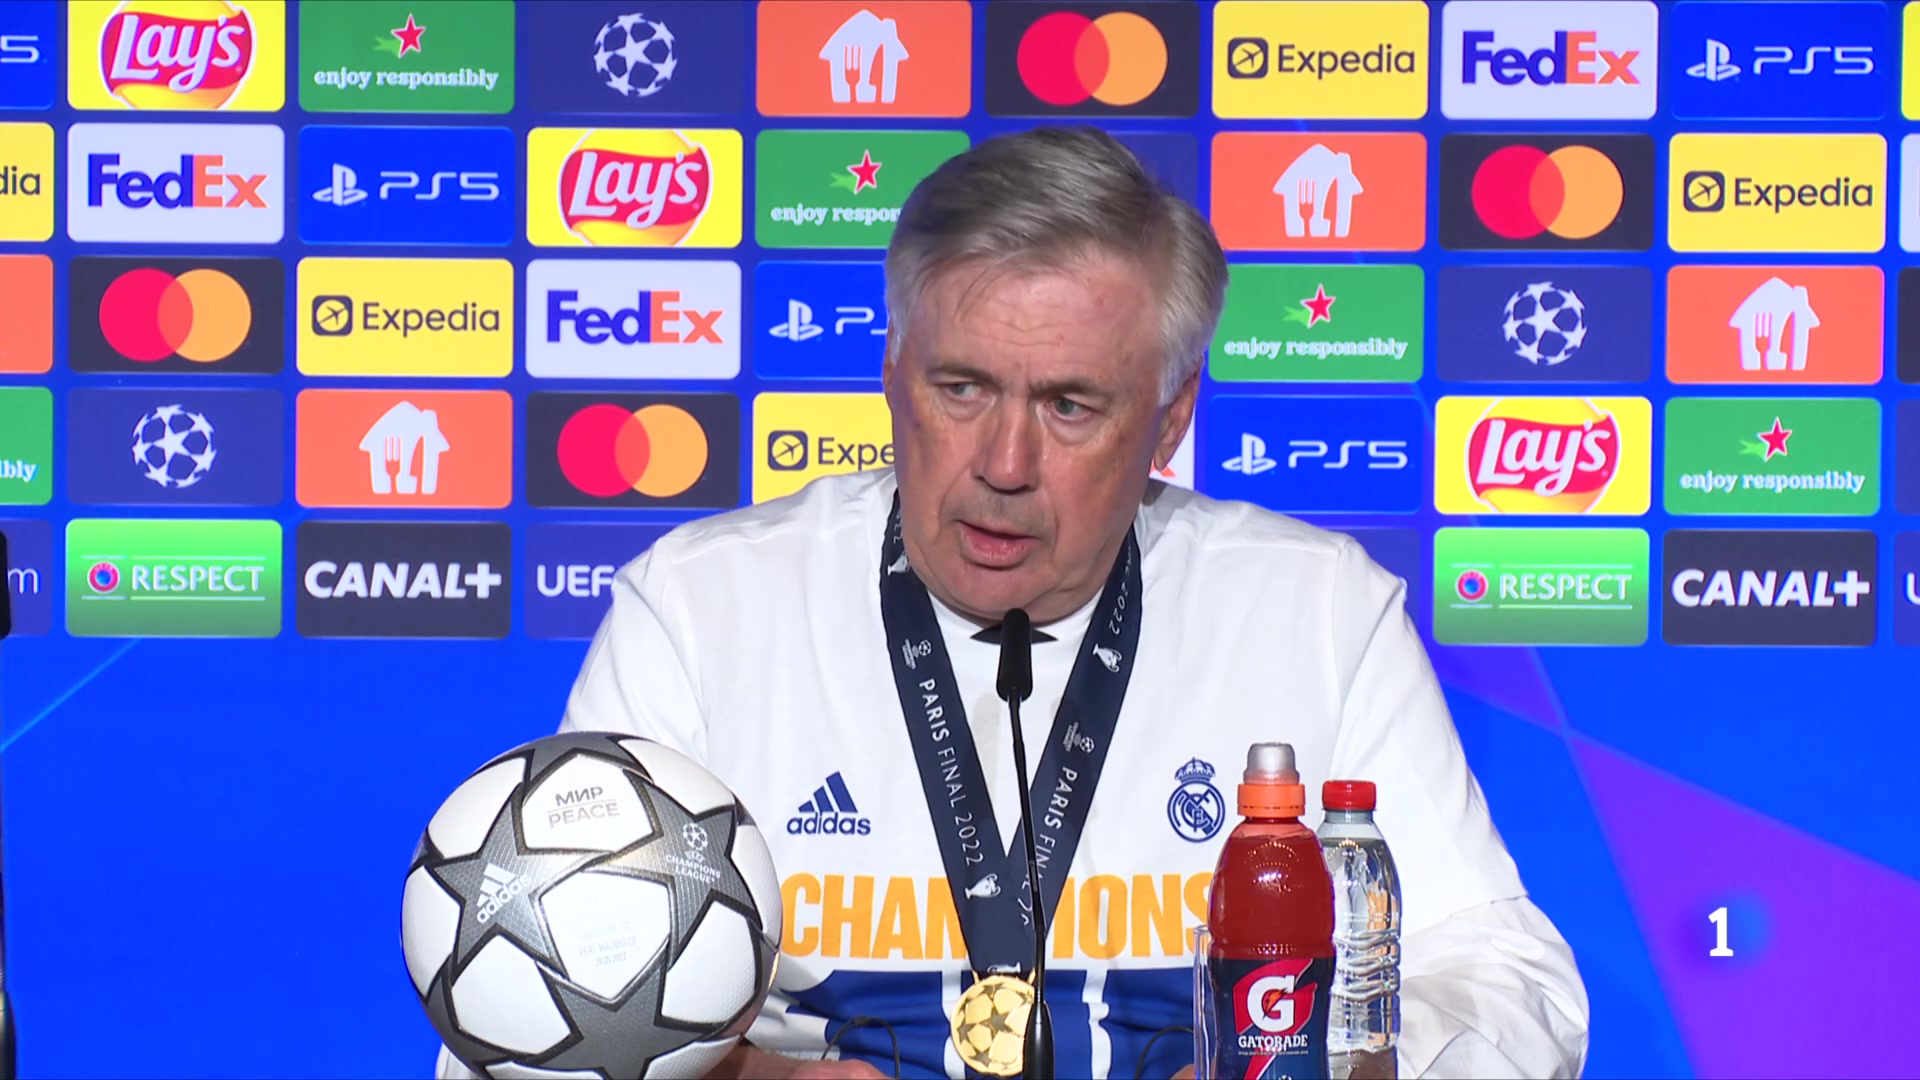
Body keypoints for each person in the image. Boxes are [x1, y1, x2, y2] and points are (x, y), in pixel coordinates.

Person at [436, 125, 1589, 1080]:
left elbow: (1511, 984)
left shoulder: (1317, 611)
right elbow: (516, 1012)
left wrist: (1325, 1065)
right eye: (961, 388)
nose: (1002, 462)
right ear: (893, 376)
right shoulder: (701, 608)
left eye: (1070, 405)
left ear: (1171, 421)